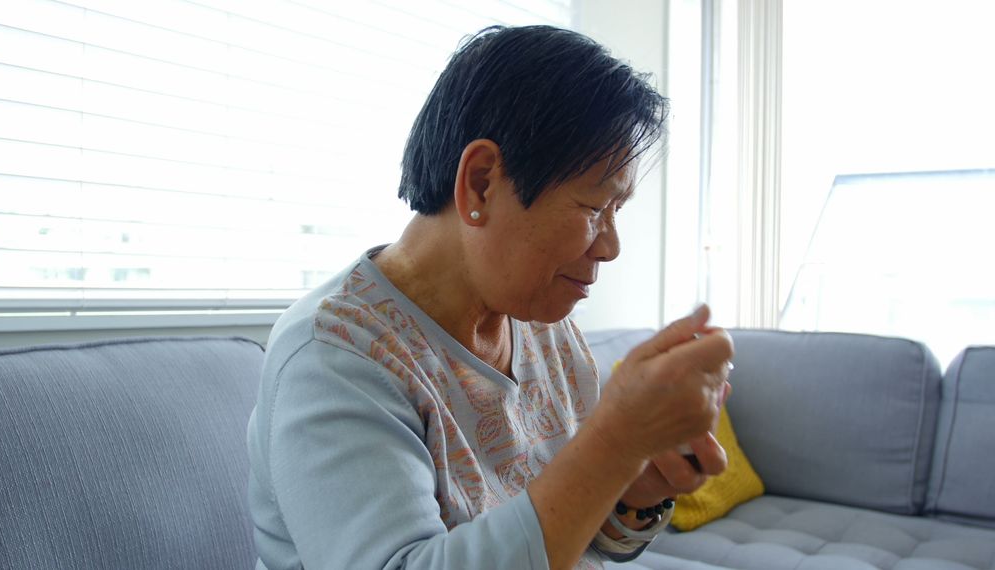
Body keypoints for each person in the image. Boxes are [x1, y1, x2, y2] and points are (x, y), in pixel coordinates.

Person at [247, 25, 734, 570]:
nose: (612, 247)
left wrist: (633, 489)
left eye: (618, 211)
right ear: (480, 183)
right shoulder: (336, 354)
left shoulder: (544, 323)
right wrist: (613, 445)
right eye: (595, 207)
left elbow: (580, 539)